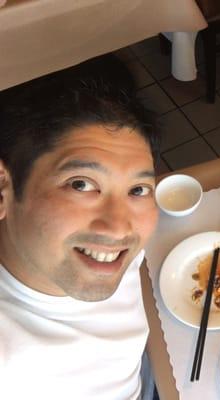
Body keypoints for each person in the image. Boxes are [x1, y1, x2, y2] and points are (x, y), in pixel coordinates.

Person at [0, 58, 160, 399]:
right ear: (4, 187)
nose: (119, 228)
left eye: (137, 190)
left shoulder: (114, 244)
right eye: (81, 185)